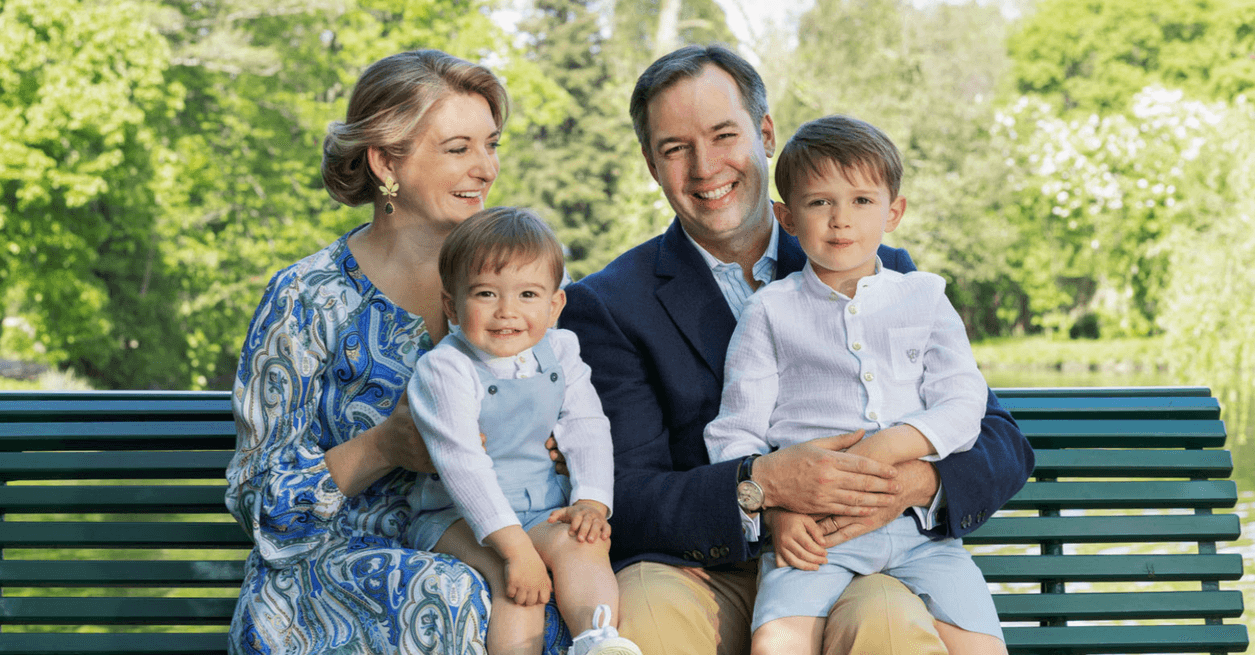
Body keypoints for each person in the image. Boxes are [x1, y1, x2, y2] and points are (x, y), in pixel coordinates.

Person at [557, 44, 1035, 655]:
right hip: (705, 570)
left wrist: (910, 483)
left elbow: (996, 437)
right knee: (646, 610)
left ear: (764, 134)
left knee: (885, 620)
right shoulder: (609, 304)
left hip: (856, 551)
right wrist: (761, 490)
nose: (705, 167)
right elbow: (629, 491)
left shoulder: (883, 272)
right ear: (652, 164)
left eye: (723, 135)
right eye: (676, 148)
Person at [225, 50, 572, 654]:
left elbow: (570, 424)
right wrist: (386, 446)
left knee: (562, 589)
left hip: (497, 547)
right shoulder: (307, 298)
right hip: (327, 581)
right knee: (457, 592)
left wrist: (558, 446)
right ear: (386, 161)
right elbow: (260, 504)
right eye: (458, 148)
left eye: (491, 145)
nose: (485, 168)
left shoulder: (518, 293)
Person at [703, 115, 1006, 654]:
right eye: (820, 202)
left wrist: (892, 445)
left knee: (982, 646)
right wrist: (775, 514)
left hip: (921, 534)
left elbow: (964, 402)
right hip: (813, 533)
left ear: (894, 212)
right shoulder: (769, 312)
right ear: (787, 217)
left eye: (862, 201)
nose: (841, 220)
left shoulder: (925, 297)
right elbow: (736, 433)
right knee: (777, 643)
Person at [407, 206, 641, 655]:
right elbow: (463, 466)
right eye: (486, 294)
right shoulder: (445, 368)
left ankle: (598, 640)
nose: (507, 312)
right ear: (452, 305)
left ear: (555, 305)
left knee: (582, 543)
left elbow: (586, 425)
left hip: (538, 505)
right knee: (517, 584)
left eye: (528, 295)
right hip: (455, 517)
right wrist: (516, 551)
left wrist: (591, 500)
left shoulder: (560, 350)